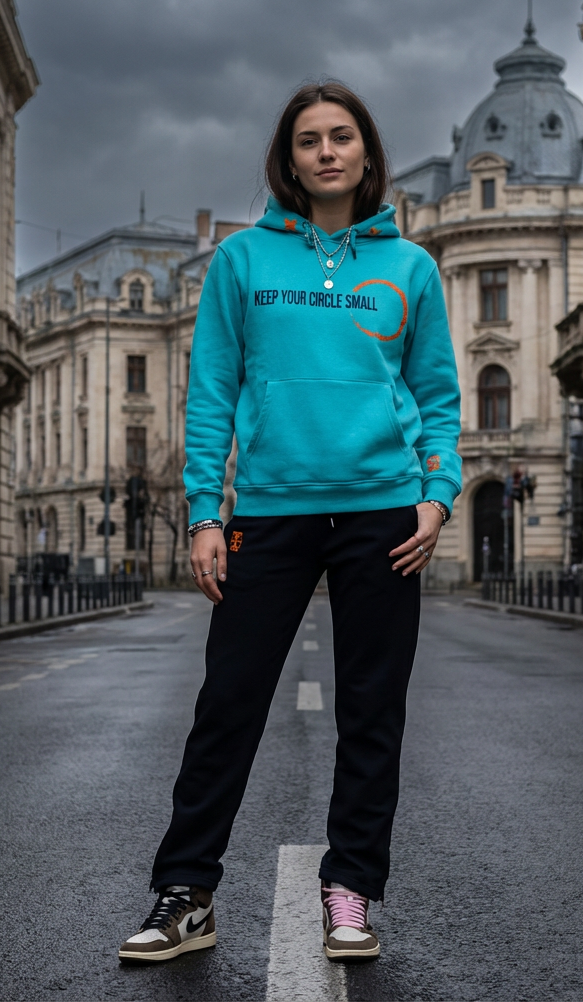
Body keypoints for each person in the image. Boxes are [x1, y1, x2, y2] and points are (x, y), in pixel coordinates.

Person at [118, 81, 461, 964]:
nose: (327, 152)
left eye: (342, 136)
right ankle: (186, 894)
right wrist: (204, 511)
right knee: (227, 707)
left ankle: (351, 893)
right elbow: (211, 395)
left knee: (372, 712)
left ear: (367, 152)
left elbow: (436, 397)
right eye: (309, 140)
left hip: (385, 512)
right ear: (289, 160)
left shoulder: (411, 268)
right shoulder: (243, 262)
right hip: (268, 512)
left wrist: (438, 493)